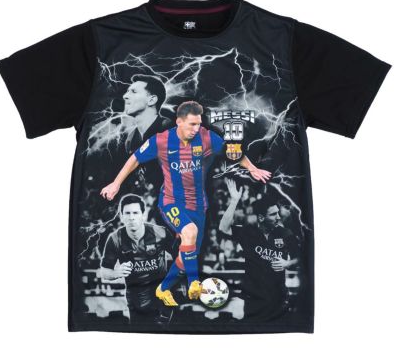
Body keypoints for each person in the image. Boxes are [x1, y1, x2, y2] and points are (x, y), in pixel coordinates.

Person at [100, 101, 272, 306]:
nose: (196, 128)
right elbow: (135, 158)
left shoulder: (207, 138)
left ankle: (163, 289)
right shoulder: (161, 140)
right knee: (189, 232)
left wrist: (252, 169)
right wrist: (116, 183)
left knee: (186, 255)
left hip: (198, 205)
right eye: (192, 124)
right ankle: (194, 283)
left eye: (198, 124)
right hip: (171, 201)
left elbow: (232, 151)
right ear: (179, 122)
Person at [219, 178, 299, 321]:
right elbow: (223, 228)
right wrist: (234, 201)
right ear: (261, 218)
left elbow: (300, 258)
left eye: (278, 213)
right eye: (273, 214)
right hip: (253, 300)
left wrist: (287, 263)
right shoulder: (248, 233)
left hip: (278, 300)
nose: (278, 217)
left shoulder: (286, 234)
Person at [100, 193, 177, 324]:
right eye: (127, 213)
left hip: (162, 295)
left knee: (163, 330)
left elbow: (180, 257)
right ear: (121, 216)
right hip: (136, 300)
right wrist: (116, 273)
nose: (131, 218)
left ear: (143, 215)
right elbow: (104, 272)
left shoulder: (161, 233)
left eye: (135, 213)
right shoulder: (115, 239)